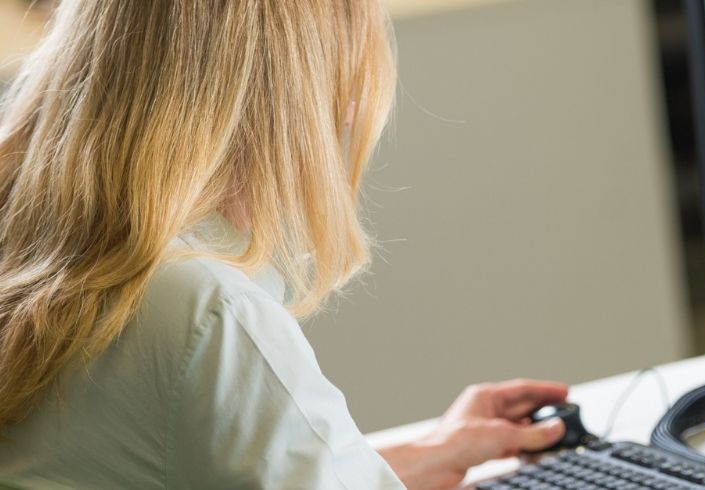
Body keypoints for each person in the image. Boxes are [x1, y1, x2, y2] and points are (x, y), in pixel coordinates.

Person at [0, 1, 565, 488]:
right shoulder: (206, 312)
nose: (347, 112)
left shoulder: (36, 239)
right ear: (294, 95)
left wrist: (413, 458)